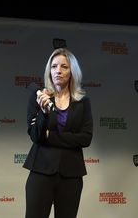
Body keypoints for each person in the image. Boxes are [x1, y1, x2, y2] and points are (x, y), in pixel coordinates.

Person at [23, 48, 93, 218]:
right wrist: (44, 112)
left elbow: (85, 138)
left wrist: (51, 136)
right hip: (41, 171)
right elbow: (36, 136)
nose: (58, 71)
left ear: (72, 71)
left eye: (64, 67)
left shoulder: (83, 101)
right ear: (49, 70)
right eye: (54, 66)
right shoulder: (38, 96)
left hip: (71, 174)